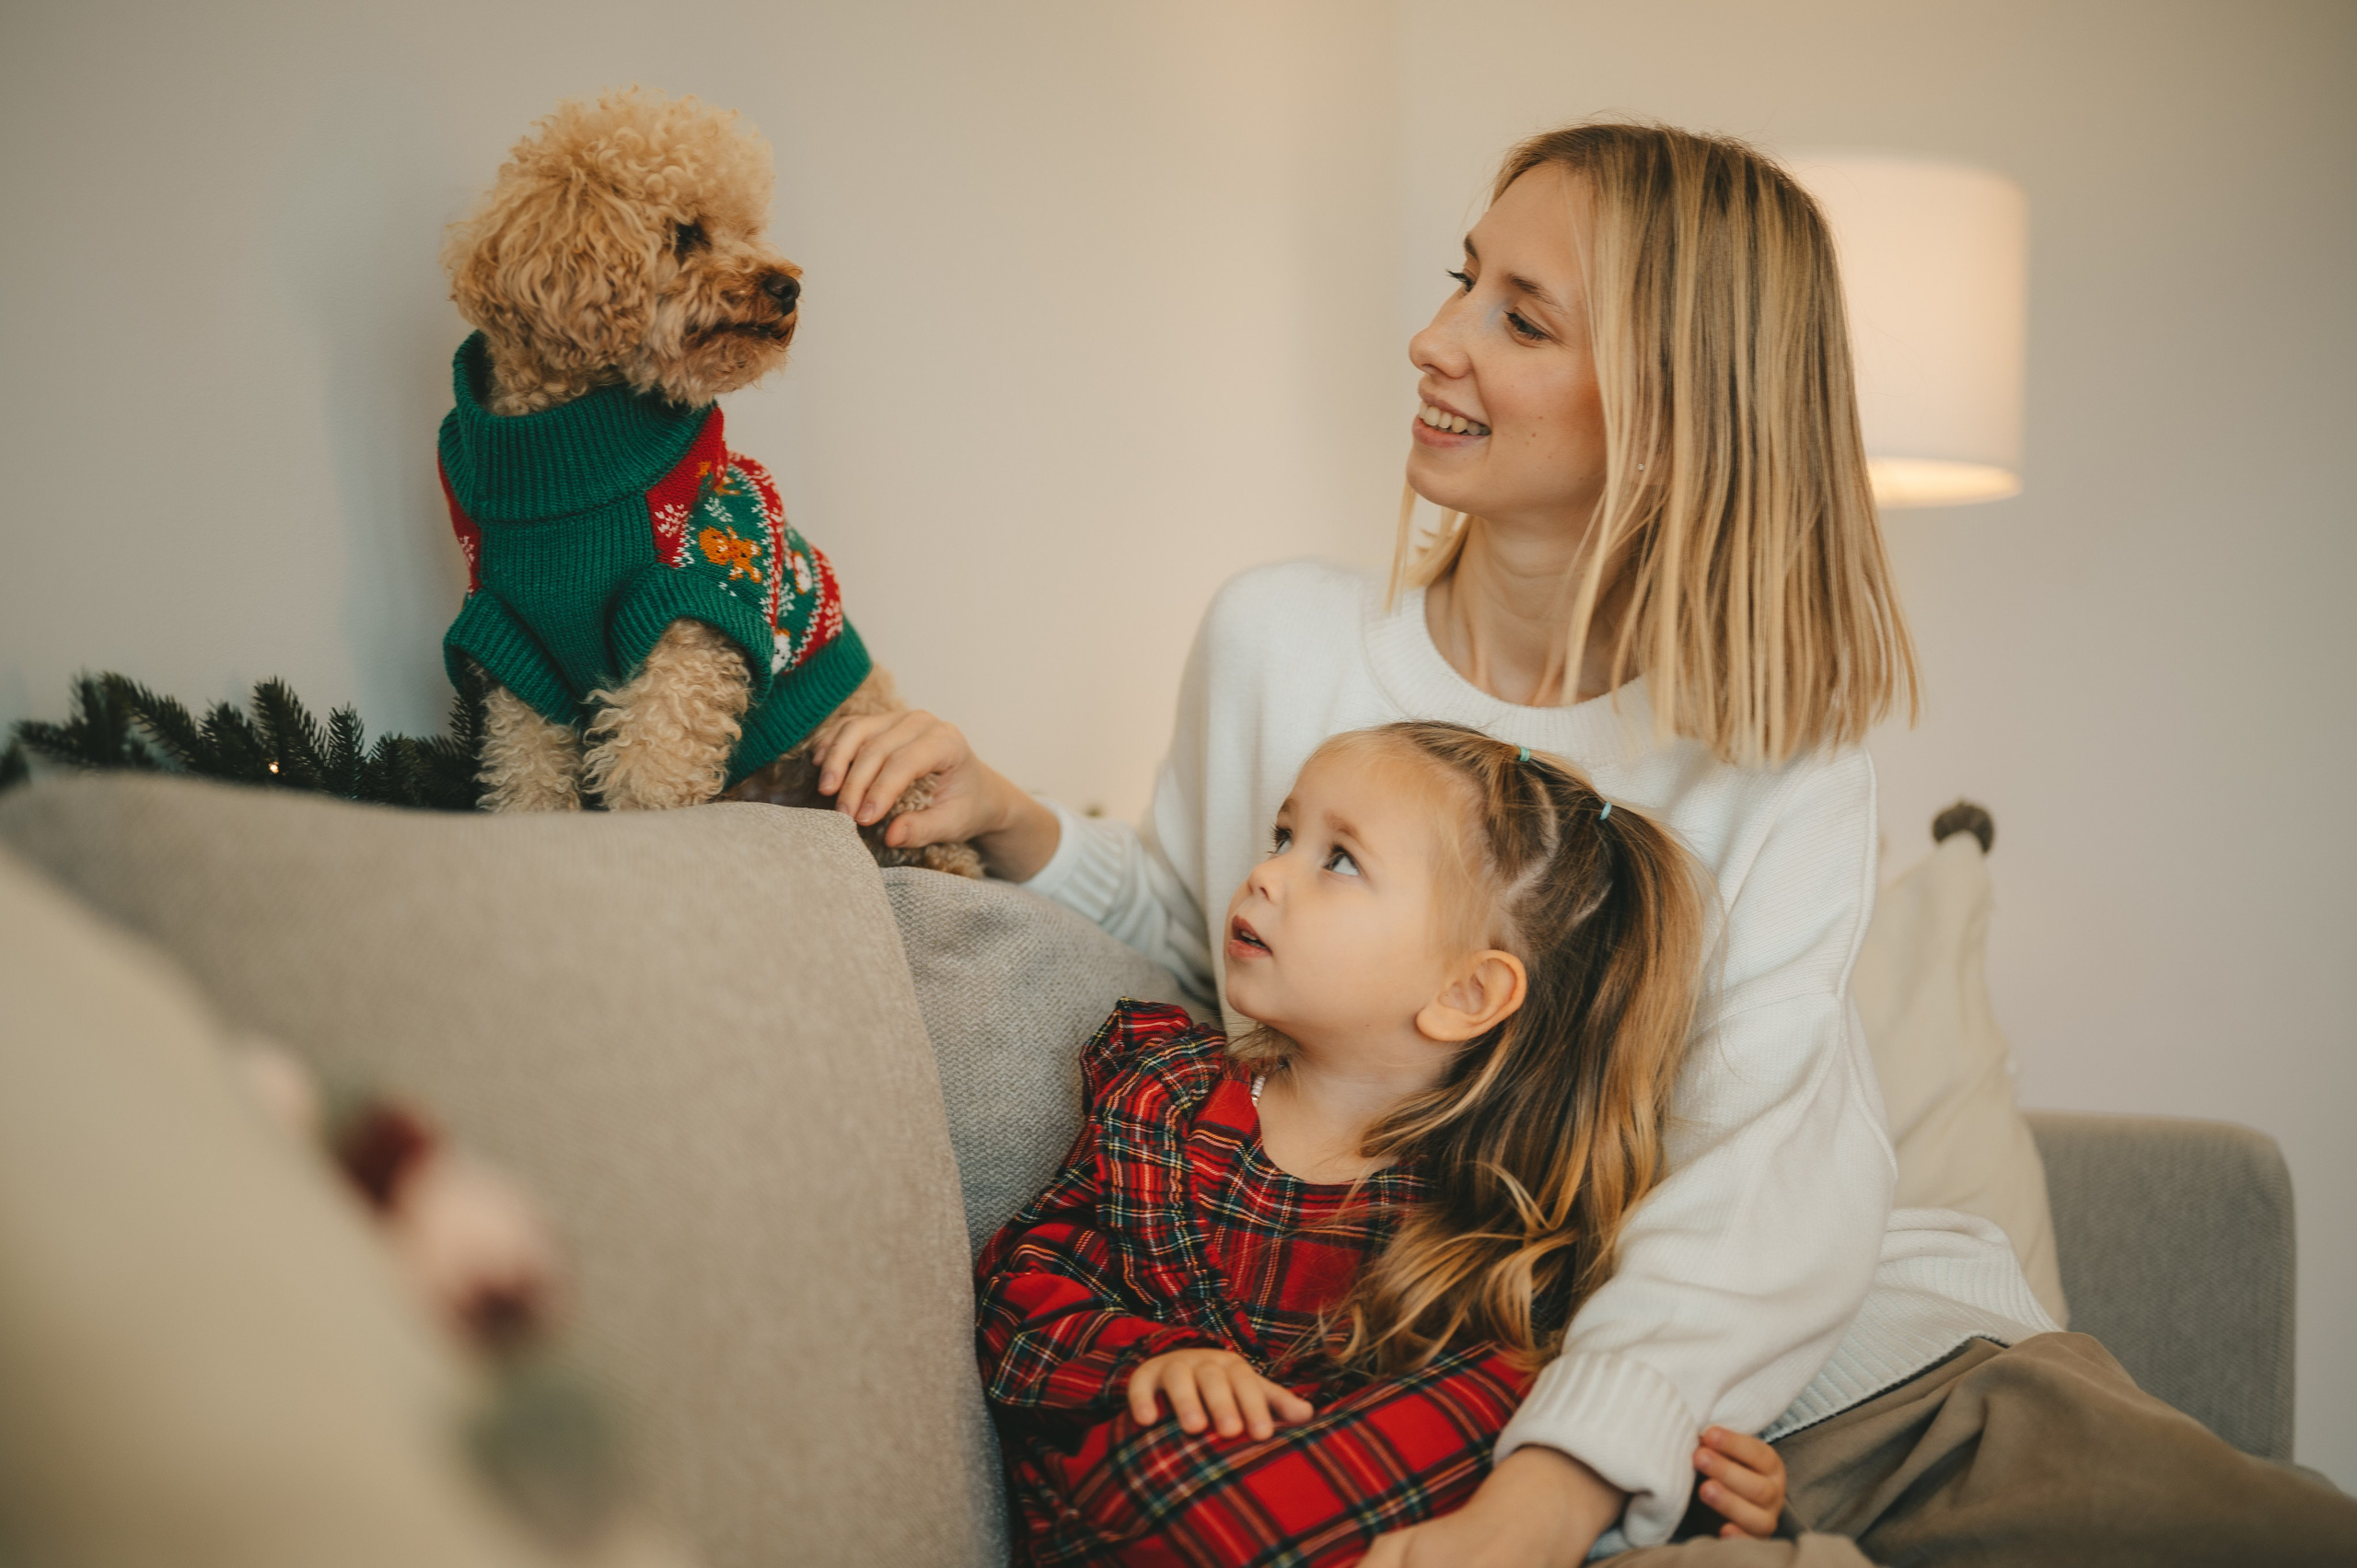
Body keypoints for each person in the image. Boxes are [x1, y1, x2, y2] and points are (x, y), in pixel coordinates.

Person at [821, 123, 2357, 1564]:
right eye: (1460, 282)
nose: (1437, 342)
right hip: (1464, 1378)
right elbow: (1215, 942)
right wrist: (1018, 826)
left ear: (1679, 407)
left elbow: (1761, 1179)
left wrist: (1555, 1494)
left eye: (1523, 319)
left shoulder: (1785, 760)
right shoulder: (1279, 638)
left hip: (1839, 1369)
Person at [979, 723, 1790, 1564]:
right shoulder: (1167, 1099)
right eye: (1286, 836)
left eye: (1337, 860)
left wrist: (1709, 1484)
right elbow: (1019, 1296)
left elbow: (1524, 1444)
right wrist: (1157, 1359)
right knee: (1167, 1472)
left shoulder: (1491, 1224)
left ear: (1466, 990)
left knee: (1526, 1390)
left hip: (1360, 1507)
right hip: (1161, 1484)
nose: (1264, 872)